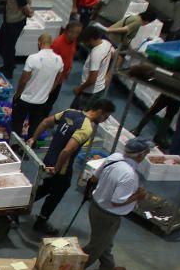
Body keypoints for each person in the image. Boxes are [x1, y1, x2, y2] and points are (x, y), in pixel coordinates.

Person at [27, 99, 116, 234]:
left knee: (47, 187)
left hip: (48, 158)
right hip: (61, 166)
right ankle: (41, 221)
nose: (104, 120)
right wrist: (57, 168)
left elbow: (46, 122)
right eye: (106, 116)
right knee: (58, 191)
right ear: (99, 112)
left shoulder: (70, 112)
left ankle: (24, 204)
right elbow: (67, 151)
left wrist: (33, 138)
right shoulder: (86, 128)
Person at [82, 138, 151, 270]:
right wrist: (138, 195)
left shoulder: (114, 158)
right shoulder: (129, 175)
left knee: (106, 241)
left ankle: (107, 267)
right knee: (96, 246)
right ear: (140, 155)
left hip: (96, 206)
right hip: (108, 215)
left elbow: (95, 178)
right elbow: (117, 202)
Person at [9, 33, 62, 139]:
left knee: (17, 125)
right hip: (42, 101)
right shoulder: (58, 60)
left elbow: (24, 80)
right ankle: (29, 148)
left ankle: (14, 147)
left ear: (39, 42)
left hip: (25, 99)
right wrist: (48, 91)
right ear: (51, 43)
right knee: (34, 127)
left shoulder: (33, 58)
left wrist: (17, 94)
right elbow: (58, 79)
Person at [0, 0, 33, 79]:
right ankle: (9, 63)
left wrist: (30, 13)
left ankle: (8, 70)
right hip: (11, 19)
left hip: (14, 22)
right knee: (1, 38)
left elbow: (25, 8)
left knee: (9, 46)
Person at [72, 25, 114, 110]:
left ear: (91, 40)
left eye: (85, 42)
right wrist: (108, 75)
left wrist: (79, 88)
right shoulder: (107, 44)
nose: (84, 44)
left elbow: (92, 79)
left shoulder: (96, 54)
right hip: (99, 88)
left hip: (89, 92)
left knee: (77, 115)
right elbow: (116, 56)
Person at [45, 21, 82, 115]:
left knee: (52, 100)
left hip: (61, 78)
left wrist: (69, 68)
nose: (76, 35)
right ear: (68, 31)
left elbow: (71, 54)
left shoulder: (73, 41)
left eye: (78, 33)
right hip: (53, 78)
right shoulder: (57, 44)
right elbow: (50, 63)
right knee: (47, 99)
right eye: (74, 32)